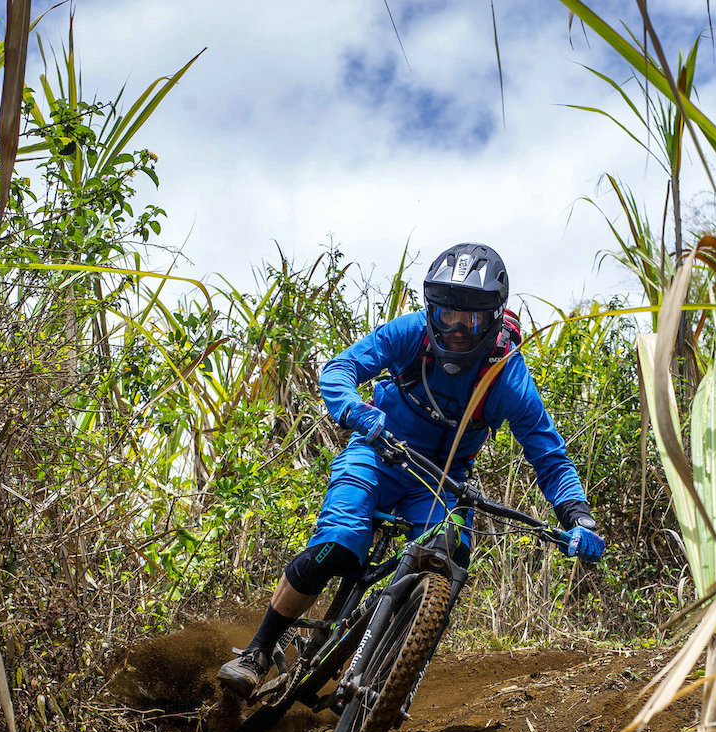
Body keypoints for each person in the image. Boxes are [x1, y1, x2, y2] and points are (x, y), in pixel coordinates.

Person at [217, 242, 605, 697]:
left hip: (441, 480)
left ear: (495, 319)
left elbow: (548, 454)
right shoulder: (411, 334)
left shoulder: (507, 376)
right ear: (430, 310)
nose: (457, 330)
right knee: (339, 547)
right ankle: (257, 651)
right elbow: (340, 369)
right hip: (376, 453)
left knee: (451, 556)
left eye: (472, 320)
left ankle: (389, 670)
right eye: (446, 315)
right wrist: (358, 412)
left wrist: (578, 516)